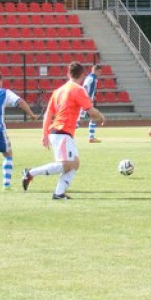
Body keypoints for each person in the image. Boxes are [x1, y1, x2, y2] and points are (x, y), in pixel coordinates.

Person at [22, 61, 105, 200]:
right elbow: (91, 111)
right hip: (62, 132)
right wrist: (101, 116)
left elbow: (48, 114)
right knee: (68, 164)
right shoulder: (78, 90)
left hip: (60, 132)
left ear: (68, 74)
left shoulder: (58, 91)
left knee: (75, 163)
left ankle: (59, 193)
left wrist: (44, 134)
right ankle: (30, 173)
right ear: (82, 75)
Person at [80, 62, 102, 143]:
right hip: (85, 101)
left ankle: (91, 138)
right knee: (80, 119)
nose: (100, 73)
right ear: (95, 70)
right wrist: (88, 97)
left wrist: (92, 96)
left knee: (94, 117)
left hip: (88, 101)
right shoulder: (91, 78)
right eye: (99, 72)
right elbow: (84, 87)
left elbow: (89, 88)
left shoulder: (94, 78)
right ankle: (65, 134)